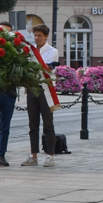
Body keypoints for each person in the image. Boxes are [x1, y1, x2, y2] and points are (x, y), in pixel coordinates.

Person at [21, 24, 59, 167]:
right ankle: (33, 155)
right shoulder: (30, 50)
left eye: (39, 36)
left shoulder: (52, 51)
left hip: (46, 89)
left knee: (48, 123)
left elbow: (47, 67)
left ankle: (50, 155)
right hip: (32, 87)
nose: (37, 38)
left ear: (46, 36)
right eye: (35, 35)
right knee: (33, 123)